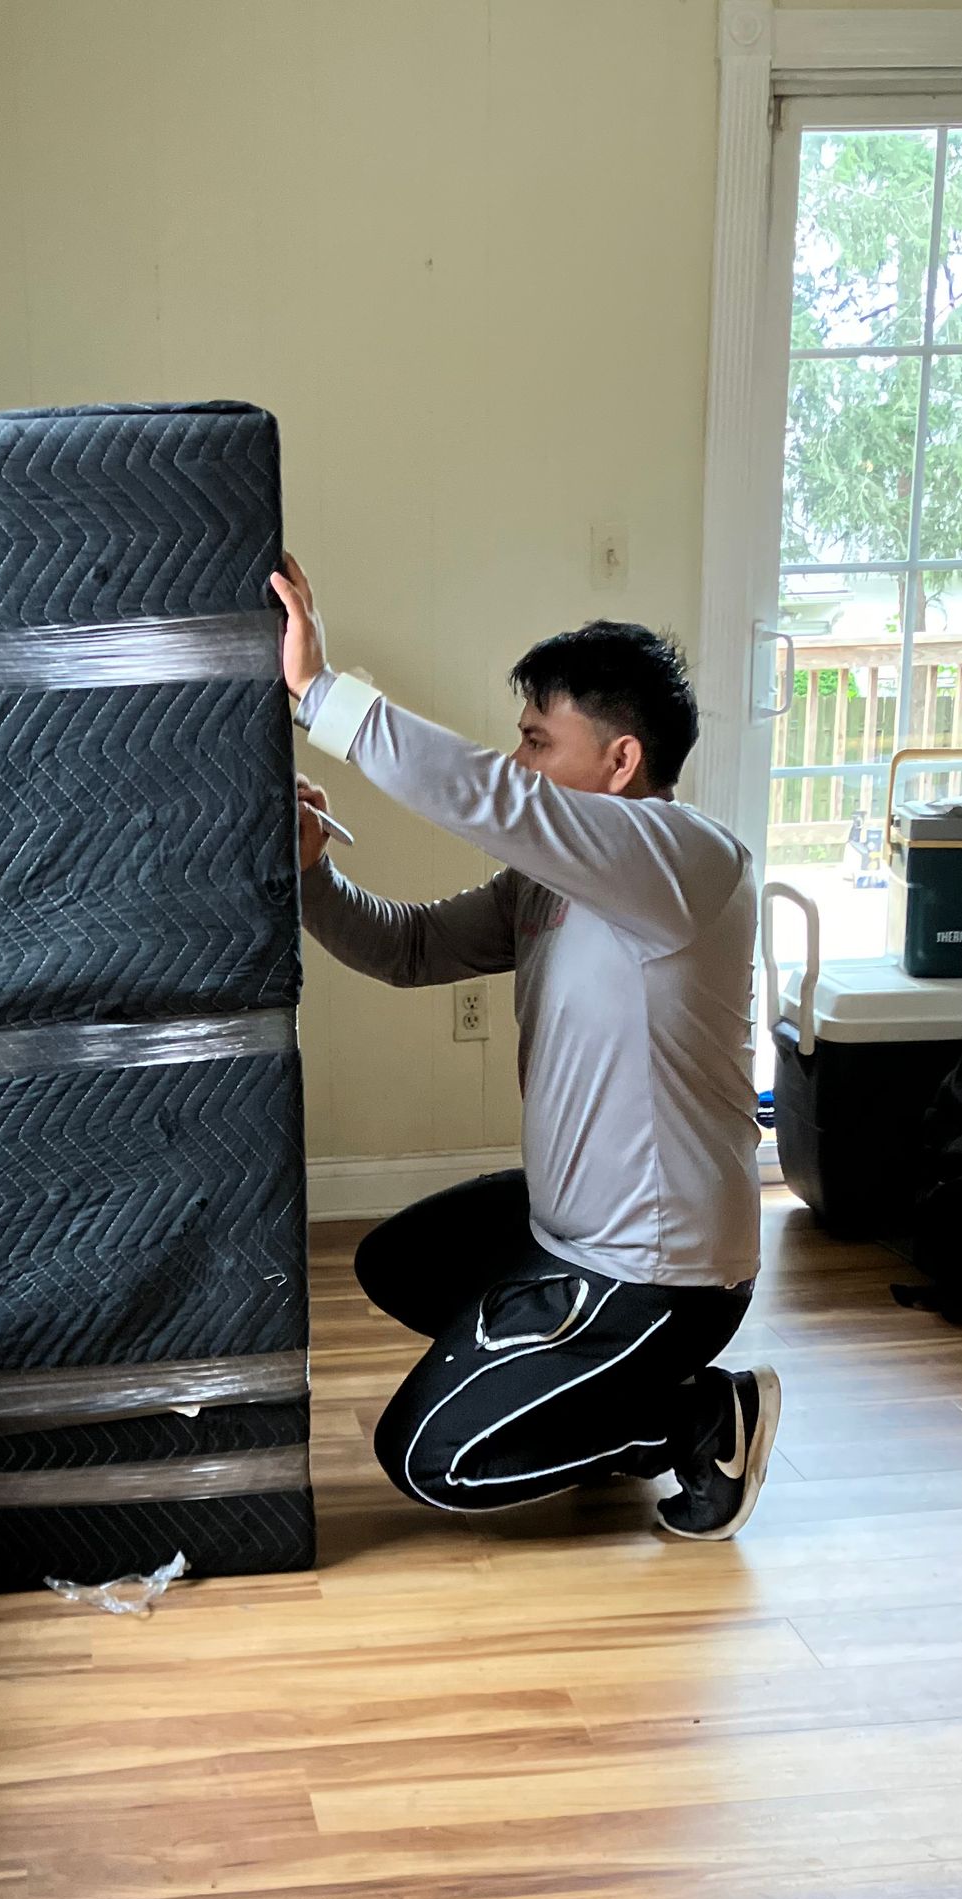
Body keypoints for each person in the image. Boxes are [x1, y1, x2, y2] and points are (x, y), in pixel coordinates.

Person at [270, 555, 778, 1540]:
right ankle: (585, 1392)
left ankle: (690, 1418)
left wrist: (318, 694)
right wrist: (311, 874)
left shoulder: (684, 862)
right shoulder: (548, 881)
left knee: (430, 1460)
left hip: (659, 1276)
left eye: (540, 741)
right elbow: (409, 947)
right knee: (397, 1261)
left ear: (621, 762)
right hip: (567, 1233)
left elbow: (496, 803)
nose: (519, 761)